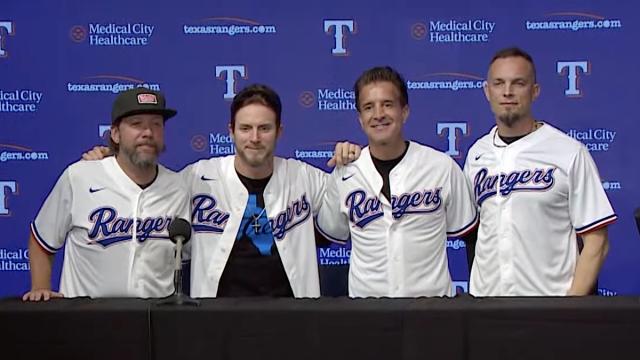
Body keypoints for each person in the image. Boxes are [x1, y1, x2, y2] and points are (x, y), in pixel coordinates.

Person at [82, 84, 360, 298]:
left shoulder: (303, 176)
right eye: (245, 128)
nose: (254, 138)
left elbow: (340, 221)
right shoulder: (199, 176)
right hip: (216, 318)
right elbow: (147, 188)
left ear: (279, 131)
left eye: (264, 128)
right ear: (231, 131)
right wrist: (111, 163)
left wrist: (350, 161)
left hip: (291, 316)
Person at [463, 47, 617, 296]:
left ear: (535, 92)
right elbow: (472, 232)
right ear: (487, 91)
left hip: (549, 308)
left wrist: (569, 307)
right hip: (487, 309)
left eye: (518, 83)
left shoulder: (568, 152)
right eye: (499, 83)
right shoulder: (476, 154)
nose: (507, 92)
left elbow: (597, 240)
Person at [316, 66, 478, 297]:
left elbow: (470, 235)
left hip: (432, 310)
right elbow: (327, 233)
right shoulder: (344, 174)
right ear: (360, 119)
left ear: (405, 111)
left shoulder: (441, 167)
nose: (379, 114)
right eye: (369, 107)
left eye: (388, 104)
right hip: (367, 312)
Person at [23, 88, 190, 301]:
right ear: (115, 134)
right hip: (86, 319)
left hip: (153, 320)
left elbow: (184, 257)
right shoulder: (80, 177)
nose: (148, 132)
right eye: (136, 124)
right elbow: (42, 239)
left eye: (156, 124)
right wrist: (40, 288)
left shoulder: (177, 187)